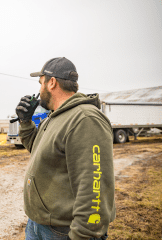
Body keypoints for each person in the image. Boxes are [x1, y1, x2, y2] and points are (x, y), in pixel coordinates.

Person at [15, 57, 115, 240]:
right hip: (38, 225)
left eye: (40, 83)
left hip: (62, 231)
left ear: (51, 82)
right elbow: (38, 150)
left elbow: (95, 188)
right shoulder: (55, 117)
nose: (39, 90)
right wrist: (25, 121)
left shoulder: (84, 119)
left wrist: (83, 234)